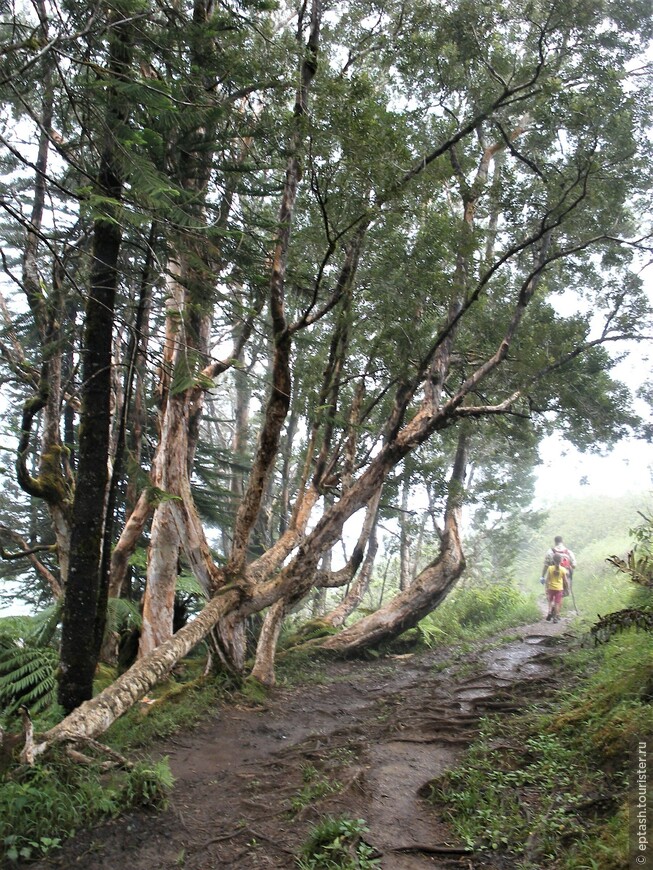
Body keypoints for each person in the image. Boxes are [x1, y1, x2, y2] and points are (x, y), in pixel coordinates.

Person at [542, 552, 569, 623]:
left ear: (553, 561)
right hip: (559, 589)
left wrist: (546, 587)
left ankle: (549, 612)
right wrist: (567, 588)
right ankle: (556, 617)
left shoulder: (550, 568)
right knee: (557, 603)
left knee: (550, 601)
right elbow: (565, 581)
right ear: (561, 561)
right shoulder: (563, 570)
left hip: (551, 588)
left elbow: (547, 579)